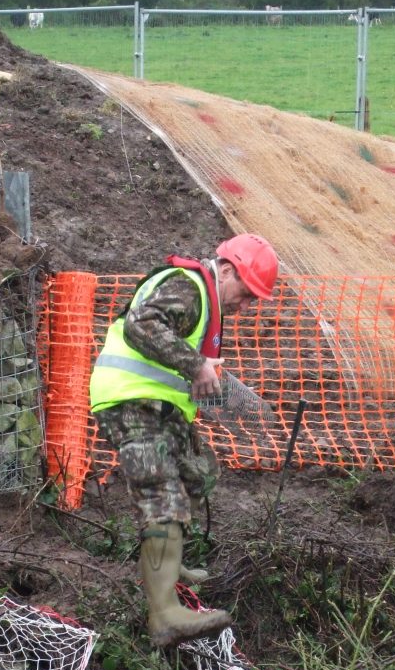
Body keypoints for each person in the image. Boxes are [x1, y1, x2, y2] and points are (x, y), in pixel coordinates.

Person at [89, 233, 280, 647]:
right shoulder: (189, 287)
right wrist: (195, 365)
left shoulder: (206, 300)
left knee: (198, 472)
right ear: (226, 271)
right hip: (130, 400)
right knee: (164, 494)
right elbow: (142, 324)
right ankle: (165, 616)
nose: (244, 306)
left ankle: (169, 567)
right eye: (245, 295)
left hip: (159, 405)